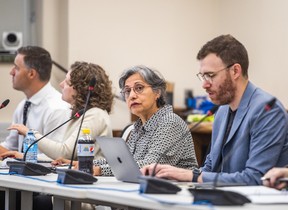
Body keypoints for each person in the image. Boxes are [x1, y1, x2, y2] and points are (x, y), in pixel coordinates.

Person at [141, 34, 288, 185]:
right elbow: (210, 169)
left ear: (235, 71)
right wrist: (174, 176)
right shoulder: (222, 111)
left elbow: (255, 178)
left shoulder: (268, 110)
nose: (204, 85)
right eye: (203, 76)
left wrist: (190, 176)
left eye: (210, 75)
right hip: (220, 200)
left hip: (252, 206)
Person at [53, 65, 198, 176]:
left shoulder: (170, 122)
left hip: (171, 204)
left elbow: (150, 165)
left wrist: (98, 170)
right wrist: (82, 163)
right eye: (127, 91)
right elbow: (122, 161)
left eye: (139, 88)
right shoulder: (138, 126)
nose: (132, 96)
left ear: (157, 93)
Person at [2, 61, 114, 160]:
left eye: (67, 82)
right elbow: (58, 155)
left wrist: (29, 133)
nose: (61, 85)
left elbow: (64, 153)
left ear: (81, 89)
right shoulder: (81, 114)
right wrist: (23, 156)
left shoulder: (95, 115)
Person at [0, 46, 70, 160]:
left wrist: (20, 157)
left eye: (16, 68)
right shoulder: (24, 104)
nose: (11, 72)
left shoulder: (57, 108)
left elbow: (57, 157)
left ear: (31, 74)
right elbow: (10, 147)